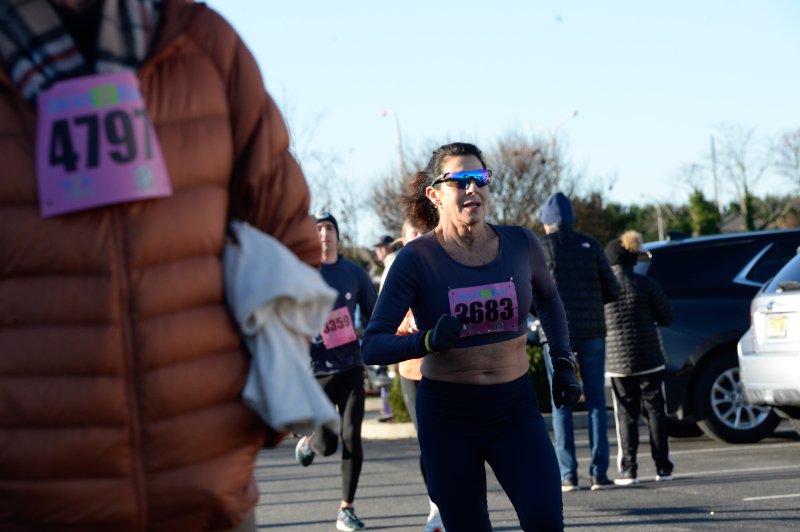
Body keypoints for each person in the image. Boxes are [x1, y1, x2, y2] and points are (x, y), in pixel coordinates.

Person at [0, 1, 319, 530]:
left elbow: (288, 241)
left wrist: (259, 410)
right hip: (28, 501)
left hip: (206, 495)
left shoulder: (202, 43)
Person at [362, 142, 582, 532]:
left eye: (479, 178)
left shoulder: (520, 244)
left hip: (514, 409)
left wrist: (562, 360)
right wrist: (426, 341)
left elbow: (549, 300)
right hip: (449, 415)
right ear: (434, 194)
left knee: (546, 521)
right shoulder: (416, 259)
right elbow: (372, 344)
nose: (472, 189)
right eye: (459, 181)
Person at [294, 211, 377, 532]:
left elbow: (375, 314)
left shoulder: (354, 274)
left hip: (351, 367)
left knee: (351, 437)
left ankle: (346, 508)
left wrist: (369, 334)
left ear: (338, 236)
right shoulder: (303, 274)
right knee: (327, 445)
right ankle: (308, 443)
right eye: (318, 229)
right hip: (317, 370)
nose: (324, 233)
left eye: (329, 228)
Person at [539, 191, 620, 492]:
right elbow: (611, 289)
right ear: (571, 219)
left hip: (557, 336)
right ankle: (599, 472)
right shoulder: (591, 245)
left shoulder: (542, 247)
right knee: (597, 402)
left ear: (547, 223)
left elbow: (531, 293)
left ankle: (568, 474)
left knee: (561, 403)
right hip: (593, 332)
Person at [604, 231, 675, 485]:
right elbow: (667, 316)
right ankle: (663, 467)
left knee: (626, 414)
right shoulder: (646, 284)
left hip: (617, 362)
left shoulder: (602, 288)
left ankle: (629, 469)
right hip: (650, 358)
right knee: (656, 411)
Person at [389, 216, 445, 532]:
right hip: (412, 370)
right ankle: (436, 508)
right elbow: (381, 323)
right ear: (404, 237)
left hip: (444, 369)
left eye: (424, 231)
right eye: (413, 231)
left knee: (453, 442)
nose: (419, 236)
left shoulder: (443, 263)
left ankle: (463, 505)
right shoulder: (396, 270)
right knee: (428, 442)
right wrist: (406, 327)